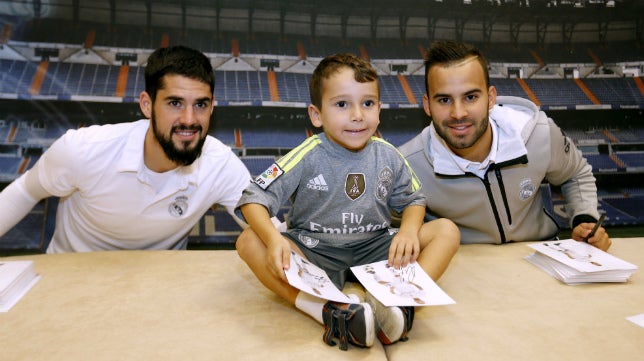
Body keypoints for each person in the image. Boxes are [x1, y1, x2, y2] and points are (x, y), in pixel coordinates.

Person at [235, 53, 459, 351]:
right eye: (342, 104)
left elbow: (414, 200)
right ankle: (327, 310)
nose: (357, 115)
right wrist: (274, 239)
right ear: (317, 115)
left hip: (376, 247)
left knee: (446, 230)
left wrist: (407, 231)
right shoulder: (308, 153)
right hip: (316, 249)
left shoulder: (388, 154)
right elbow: (253, 198)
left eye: (367, 103)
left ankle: (399, 304)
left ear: (379, 110)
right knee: (249, 240)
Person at [0, 45, 251, 253]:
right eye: (175, 103)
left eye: (200, 104)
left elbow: (267, 231)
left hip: (160, 289)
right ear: (146, 104)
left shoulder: (220, 163)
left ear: (212, 107)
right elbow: (25, 191)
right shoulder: (84, 150)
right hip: (70, 284)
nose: (189, 119)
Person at [398, 40, 611, 251]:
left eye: (470, 97)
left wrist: (584, 219)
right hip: (463, 265)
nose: (458, 113)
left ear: (490, 98)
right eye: (444, 100)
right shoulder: (406, 166)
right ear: (427, 105)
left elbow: (575, 174)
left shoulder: (539, 133)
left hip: (540, 256)